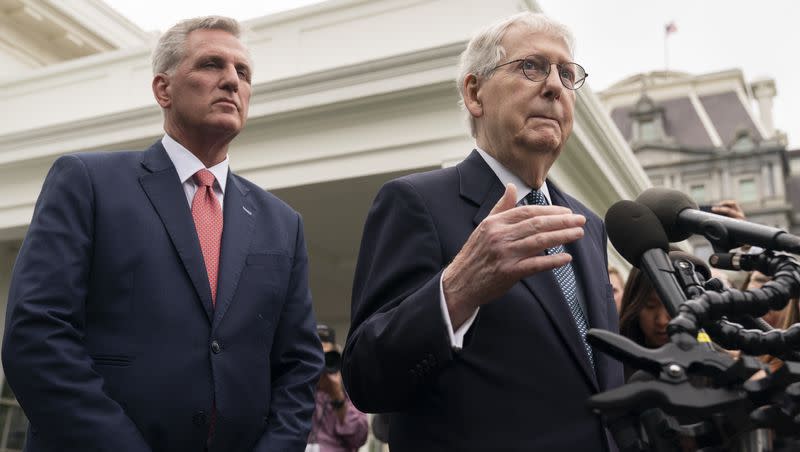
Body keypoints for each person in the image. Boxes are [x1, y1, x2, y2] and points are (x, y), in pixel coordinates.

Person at [2, 16, 323, 452]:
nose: (231, 80)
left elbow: (299, 367)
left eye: (242, 72)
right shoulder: (87, 182)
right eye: (212, 64)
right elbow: (37, 337)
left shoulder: (283, 223)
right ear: (163, 89)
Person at [342, 11, 622, 452]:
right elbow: (366, 377)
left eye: (567, 74)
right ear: (475, 94)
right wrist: (456, 291)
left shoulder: (589, 225)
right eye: (531, 66)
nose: (553, 85)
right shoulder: (416, 202)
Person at [307, 325, 368, 452]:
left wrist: (337, 395)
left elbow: (360, 437)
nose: (322, 365)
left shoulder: (348, 387)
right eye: (316, 358)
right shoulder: (299, 386)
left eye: (327, 358)